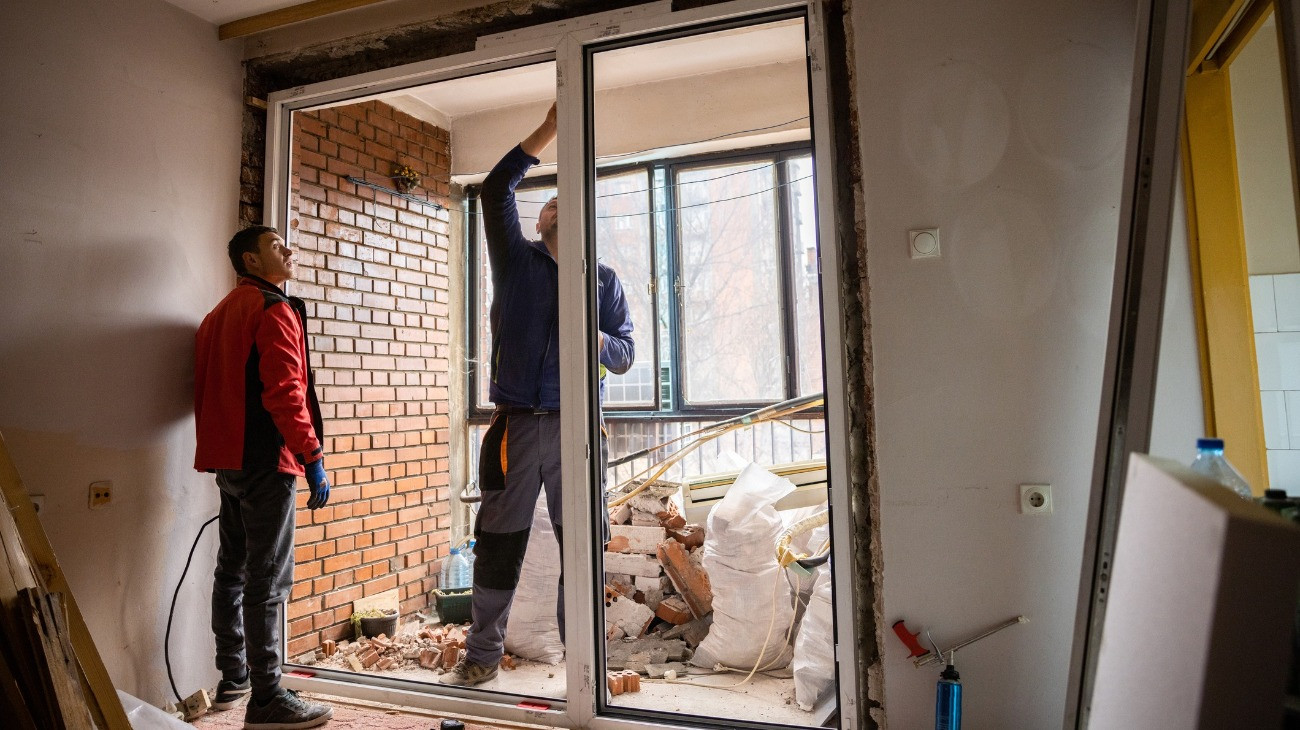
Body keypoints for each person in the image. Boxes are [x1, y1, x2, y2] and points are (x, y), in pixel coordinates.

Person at [442, 104, 635, 686]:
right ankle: (482, 656)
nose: (554, 207)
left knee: (583, 545)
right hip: (517, 427)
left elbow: (625, 354)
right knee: (499, 542)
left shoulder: (602, 280)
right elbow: (495, 188)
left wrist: (595, 338)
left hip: (579, 428)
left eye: (565, 203)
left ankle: (586, 669)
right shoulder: (515, 260)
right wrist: (551, 127)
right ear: (541, 219)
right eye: (549, 202)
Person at [193, 225, 334, 729]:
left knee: (231, 571)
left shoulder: (217, 315)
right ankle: (268, 697)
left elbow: (208, 387)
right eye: (277, 245)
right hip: (266, 461)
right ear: (251, 260)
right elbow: (285, 391)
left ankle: (233, 677)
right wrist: (311, 455)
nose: (288, 249)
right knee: (268, 580)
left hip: (229, 461)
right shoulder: (274, 308)